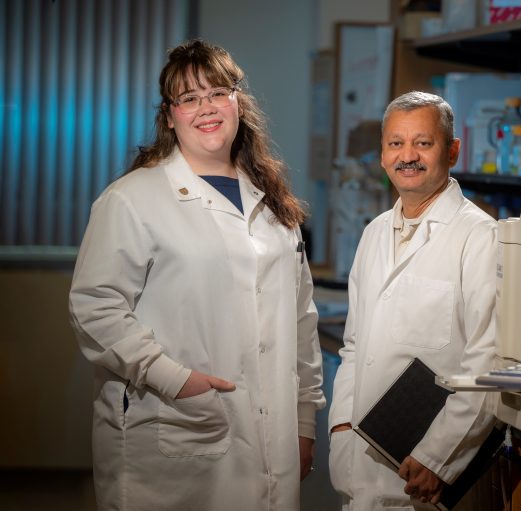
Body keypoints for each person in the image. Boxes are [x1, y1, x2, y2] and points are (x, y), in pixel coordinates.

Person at [69, 39, 325, 511]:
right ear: (169, 116)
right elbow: (94, 308)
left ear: (237, 103)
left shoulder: (272, 204)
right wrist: (172, 377)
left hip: (274, 442)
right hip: (175, 429)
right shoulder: (133, 199)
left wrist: (304, 424)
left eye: (217, 93)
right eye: (189, 98)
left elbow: (301, 322)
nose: (205, 108)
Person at [328, 91, 498, 510]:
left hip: (425, 473)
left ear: (453, 150)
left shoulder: (479, 236)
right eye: (396, 143)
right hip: (359, 468)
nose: (408, 156)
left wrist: (438, 456)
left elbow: (490, 361)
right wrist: (341, 426)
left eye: (423, 143)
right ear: (383, 154)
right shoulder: (374, 233)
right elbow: (355, 346)